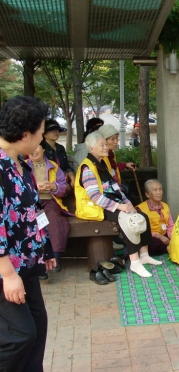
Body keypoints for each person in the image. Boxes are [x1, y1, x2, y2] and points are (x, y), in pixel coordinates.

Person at [0, 96, 56, 372]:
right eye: (40, 133)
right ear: (25, 134)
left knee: (38, 327)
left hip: (28, 262)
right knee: (19, 336)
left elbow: (34, 210)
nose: (41, 140)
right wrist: (8, 274)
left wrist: (45, 249)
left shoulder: (21, 164)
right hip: (6, 269)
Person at [75, 131, 162, 279]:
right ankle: (134, 262)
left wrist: (128, 203)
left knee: (141, 215)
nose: (106, 147)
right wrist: (120, 207)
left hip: (113, 203)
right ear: (91, 148)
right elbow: (95, 196)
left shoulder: (102, 163)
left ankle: (144, 255)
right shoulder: (87, 167)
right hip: (97, 208)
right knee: (128, 220)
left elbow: (116, 188)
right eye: (101, 145)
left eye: (105, 144)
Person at [27, 144, 70, 275]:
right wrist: (34, 188)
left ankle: (55, 256)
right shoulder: (23, 165)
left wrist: (53, 186)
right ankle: (38, 261)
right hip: (31, 202)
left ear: (43, 149)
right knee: (35, 222)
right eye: (31, 148)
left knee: (53, 219)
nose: (33, 151)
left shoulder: (53, 166)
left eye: (37, 148)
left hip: (49, 200)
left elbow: (63, 186)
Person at [136, 179, 174, 256]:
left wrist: (172, 237)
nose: (159, 192)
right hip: (150, 236)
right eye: (155, 190)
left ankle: (170, 246)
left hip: (164, 233)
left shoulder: (165, 206)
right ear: (147, 194)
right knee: (153, 245)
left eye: (160, 189)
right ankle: (169, 248)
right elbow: (141, 230)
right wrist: (159, 236)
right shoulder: (141, 209)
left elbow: (170, 225)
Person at [98, 124, 136, 193]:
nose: (116, 141)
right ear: (103, 142)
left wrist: (125, 165)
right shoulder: (100, 158)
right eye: (112, 139)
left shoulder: (110, 154)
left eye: (116, 138)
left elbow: (113, 168)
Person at [41, 119, 75, 188]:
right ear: (44, 134)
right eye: (51, 130)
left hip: (63, 180)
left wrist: (72, 177)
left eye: (57, 130)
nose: (56, 132)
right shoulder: (41, 149)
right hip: (49, 182)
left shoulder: (60, 148)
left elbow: (66, 166)